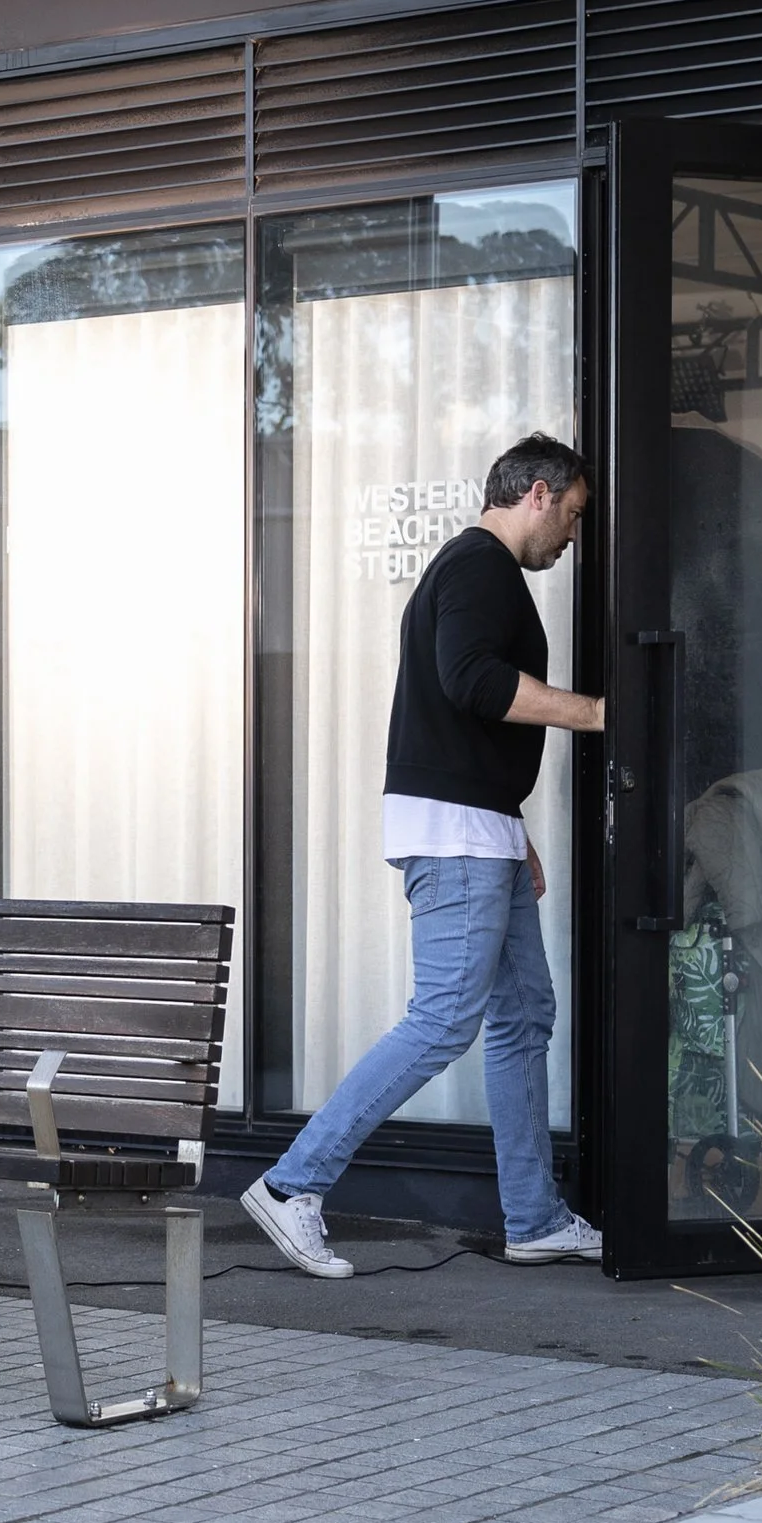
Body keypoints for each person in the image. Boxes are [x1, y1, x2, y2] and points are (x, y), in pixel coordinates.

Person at [243, 433, 605, 1275]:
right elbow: (472, 680)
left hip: (481, 830)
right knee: (444, 1020)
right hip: (454, 836)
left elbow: (462, 721)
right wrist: (592, 713)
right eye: (576, 517)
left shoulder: (478, 569)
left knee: (524, 1016)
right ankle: (294, 1184)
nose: (574, 538)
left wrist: (514, 831)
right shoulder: (480, 566)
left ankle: (535, 1218)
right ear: (540, 493)